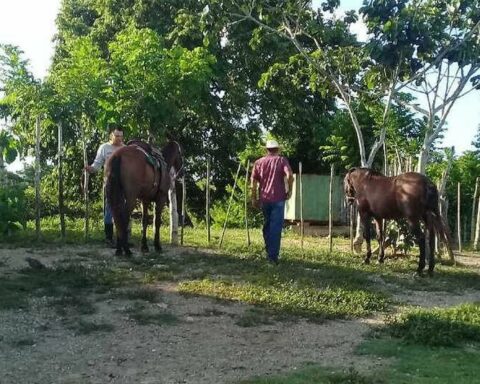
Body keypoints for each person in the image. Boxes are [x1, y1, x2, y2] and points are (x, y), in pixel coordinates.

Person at [251, 139, 294, 264]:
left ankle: (269, 250)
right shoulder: (281, 160)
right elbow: (290, 175)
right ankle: (272, 257)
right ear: (278, 149)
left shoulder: (258, 162)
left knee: (267, 225)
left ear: (266, 150)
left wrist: (253, 198)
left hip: (265, 199)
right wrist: (289, 190)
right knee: (275, 227)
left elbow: (253, 182)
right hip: (278, 199)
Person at [85, 126, 125, 246]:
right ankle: (108, 238)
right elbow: (97, 164)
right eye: (117, 136)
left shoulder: (125, 149)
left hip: (124, 184)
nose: (119, 138)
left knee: (123, 210)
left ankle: (123, 238)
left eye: (121, 136)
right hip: (110, 184)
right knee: (109, 210)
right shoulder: (104, 148)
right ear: (111, 136)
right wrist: (90, 169)